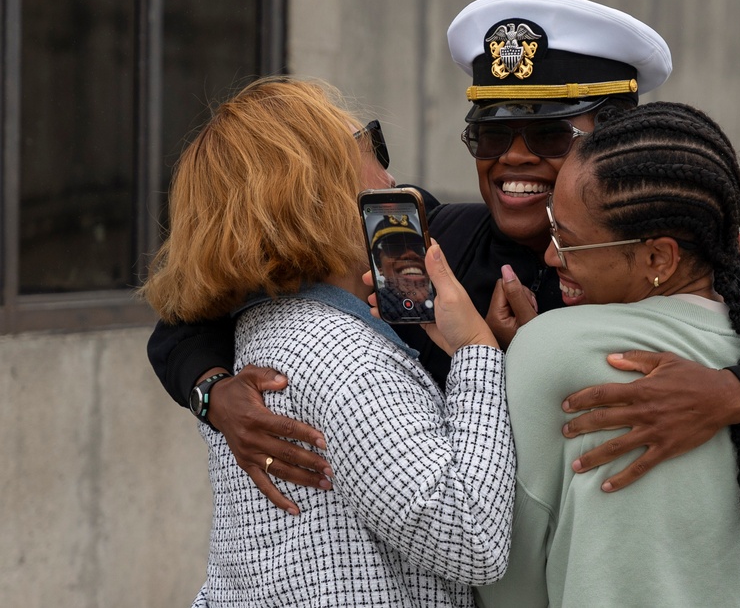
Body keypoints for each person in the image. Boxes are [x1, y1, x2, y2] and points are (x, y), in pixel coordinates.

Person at [146, 0, 740, 512]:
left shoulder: (683, 258)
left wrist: (733, 392)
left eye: (550, 133)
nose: (514, 157)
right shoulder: (431, 241)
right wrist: (216, 392)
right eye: (492, 132)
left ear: (620, 139)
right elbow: (207, 298)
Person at [139, 77, 514, 606]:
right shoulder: (342, 360)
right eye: (371, 146)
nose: (390, 173)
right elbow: (472, 536)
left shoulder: (267, 327)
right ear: (315, 190)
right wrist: (477, 348)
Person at [478, 101, 740, 607]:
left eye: (566, 238)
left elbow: (505, 575)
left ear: (658, 257)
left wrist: (472, 352)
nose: (549, 254)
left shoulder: (552, 347)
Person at [367, 213, 436, 321]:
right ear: (379, 266)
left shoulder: (442, 307)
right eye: (394, 248)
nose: (411, 254)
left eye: (418, 247)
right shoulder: (372, 317)